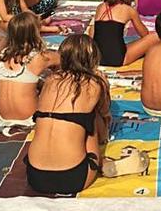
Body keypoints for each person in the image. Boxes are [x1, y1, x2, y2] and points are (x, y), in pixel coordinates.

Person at [25, 34, 111, 195]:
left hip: (34, 175)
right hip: (73, 176)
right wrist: (104, 86)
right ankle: (99, 161)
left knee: (64, 118)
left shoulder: (50, 81)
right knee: (90, 117)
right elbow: (105, 115)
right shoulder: (94, 83)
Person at [0, 12, 60, 128]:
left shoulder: (4, 54)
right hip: (30, 117)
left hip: (2, 116)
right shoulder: (40, 57)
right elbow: (64, 60)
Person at [88, 0, 160, 67]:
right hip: (117, 59)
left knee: (94, 28)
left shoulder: (100, 7)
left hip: (98, 58)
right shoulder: (128, 10)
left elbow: (94, 33)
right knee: (154, 38)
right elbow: (144, 34)